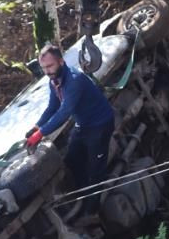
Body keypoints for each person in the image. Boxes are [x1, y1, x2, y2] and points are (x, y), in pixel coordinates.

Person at [25, 44, 115, 213]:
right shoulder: (54, 81)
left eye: (50, 66)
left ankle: (92, 211)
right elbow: (52, 106)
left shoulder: (74, 80)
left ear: (61, 61)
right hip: (83, 125)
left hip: (99, 124)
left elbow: (64, 112)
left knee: (96, 170)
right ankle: (80, 194)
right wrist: (37, 126)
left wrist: (40, 134)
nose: (47, 71)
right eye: (44, 68)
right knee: (72, 161)